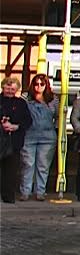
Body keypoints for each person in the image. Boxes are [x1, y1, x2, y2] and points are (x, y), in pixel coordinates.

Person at [19, 73, 56, 201]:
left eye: (42, 84)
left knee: (43, 165)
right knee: (28, 164)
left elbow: (58, 117)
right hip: (29, 135)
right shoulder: (25, 97)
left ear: (46, 85)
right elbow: (21, 114)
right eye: (36, 84)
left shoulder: (53, 99)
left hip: (47, 137)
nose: (38, 87)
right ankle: (25, 191)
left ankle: (40, 191)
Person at [0, 75, 33, 203]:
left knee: (11, 171)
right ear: (3, 87)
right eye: (7, 88)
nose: (9, 91)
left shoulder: (20, 103)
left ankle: (8, 197)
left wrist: (15, 126)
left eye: (12, 89)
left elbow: (28, 121)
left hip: (14, 142)